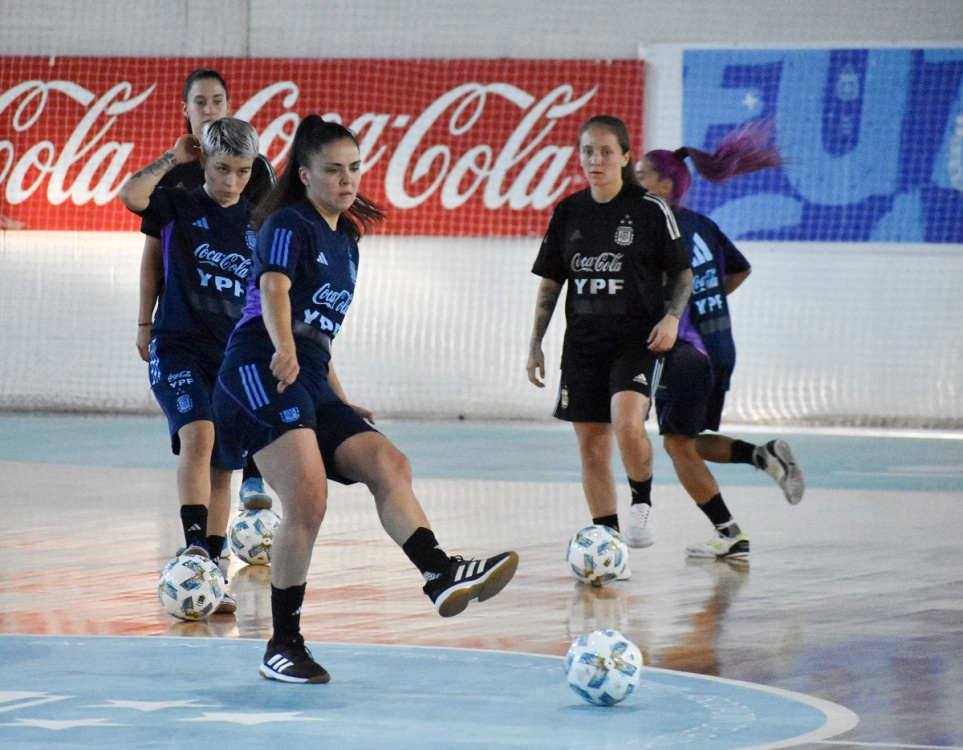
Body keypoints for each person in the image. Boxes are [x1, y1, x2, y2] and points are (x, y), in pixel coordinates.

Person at [212, 115, 519, 684]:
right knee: (307, 498)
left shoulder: (348, 239)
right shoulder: (288, 222)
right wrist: (283, 348)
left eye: (354, 167)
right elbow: (273, 289)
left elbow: (319, 334)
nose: (346, 178)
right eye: (333, 169)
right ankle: (282, 644)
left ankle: (441, 573)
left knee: (388, 462)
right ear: (304, 175)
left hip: (309, 374)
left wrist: (341, 401)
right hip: (259, 368)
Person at [636, 120, 805, 560]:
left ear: (666, 184)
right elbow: (740, 269)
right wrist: (704, 301)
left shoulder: (658, 230)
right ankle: (763, 456)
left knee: (676, 445)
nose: (634, 182)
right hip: (721, 344)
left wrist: (677, 312)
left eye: (641, 175)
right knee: (688, 439)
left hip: (690, 353)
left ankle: (729, 534)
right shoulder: (702, 224)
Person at [527, 115, 693, 553]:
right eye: (587, 151)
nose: (595, 160)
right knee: (591, 447)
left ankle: (641, 501)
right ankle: (608, 542)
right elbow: (550, 283)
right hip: (582, 346)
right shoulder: (568, 212)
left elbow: (682, 275)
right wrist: (535, 344)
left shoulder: (649, 210)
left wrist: (672, 319)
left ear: (624, 156)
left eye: (605, 151)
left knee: (625, 422)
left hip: (636, 341)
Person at [119, 117, 264, 614]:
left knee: (225, 466)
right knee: (198, 435)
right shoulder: (177, 204)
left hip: (232, 360)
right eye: (222, 168)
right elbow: (130, 195)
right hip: (176, 347)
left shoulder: (258, 223)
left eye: (243, 171)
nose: (232, 182)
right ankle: (195, 549)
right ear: (204, 160)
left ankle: (211, 571)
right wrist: (172, 159)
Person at [135, 68, 276, 517]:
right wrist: (144, 321)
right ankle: (197, 547)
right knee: (200, 435)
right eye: (200, 101)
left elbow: (268, 265)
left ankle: (250, 477)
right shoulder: (175, 186)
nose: (209, 108)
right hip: (182, 335)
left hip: (233, 337)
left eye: (217, 100)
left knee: (225, 445)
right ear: (186, 110)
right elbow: (152, 255)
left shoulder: (256, 180)